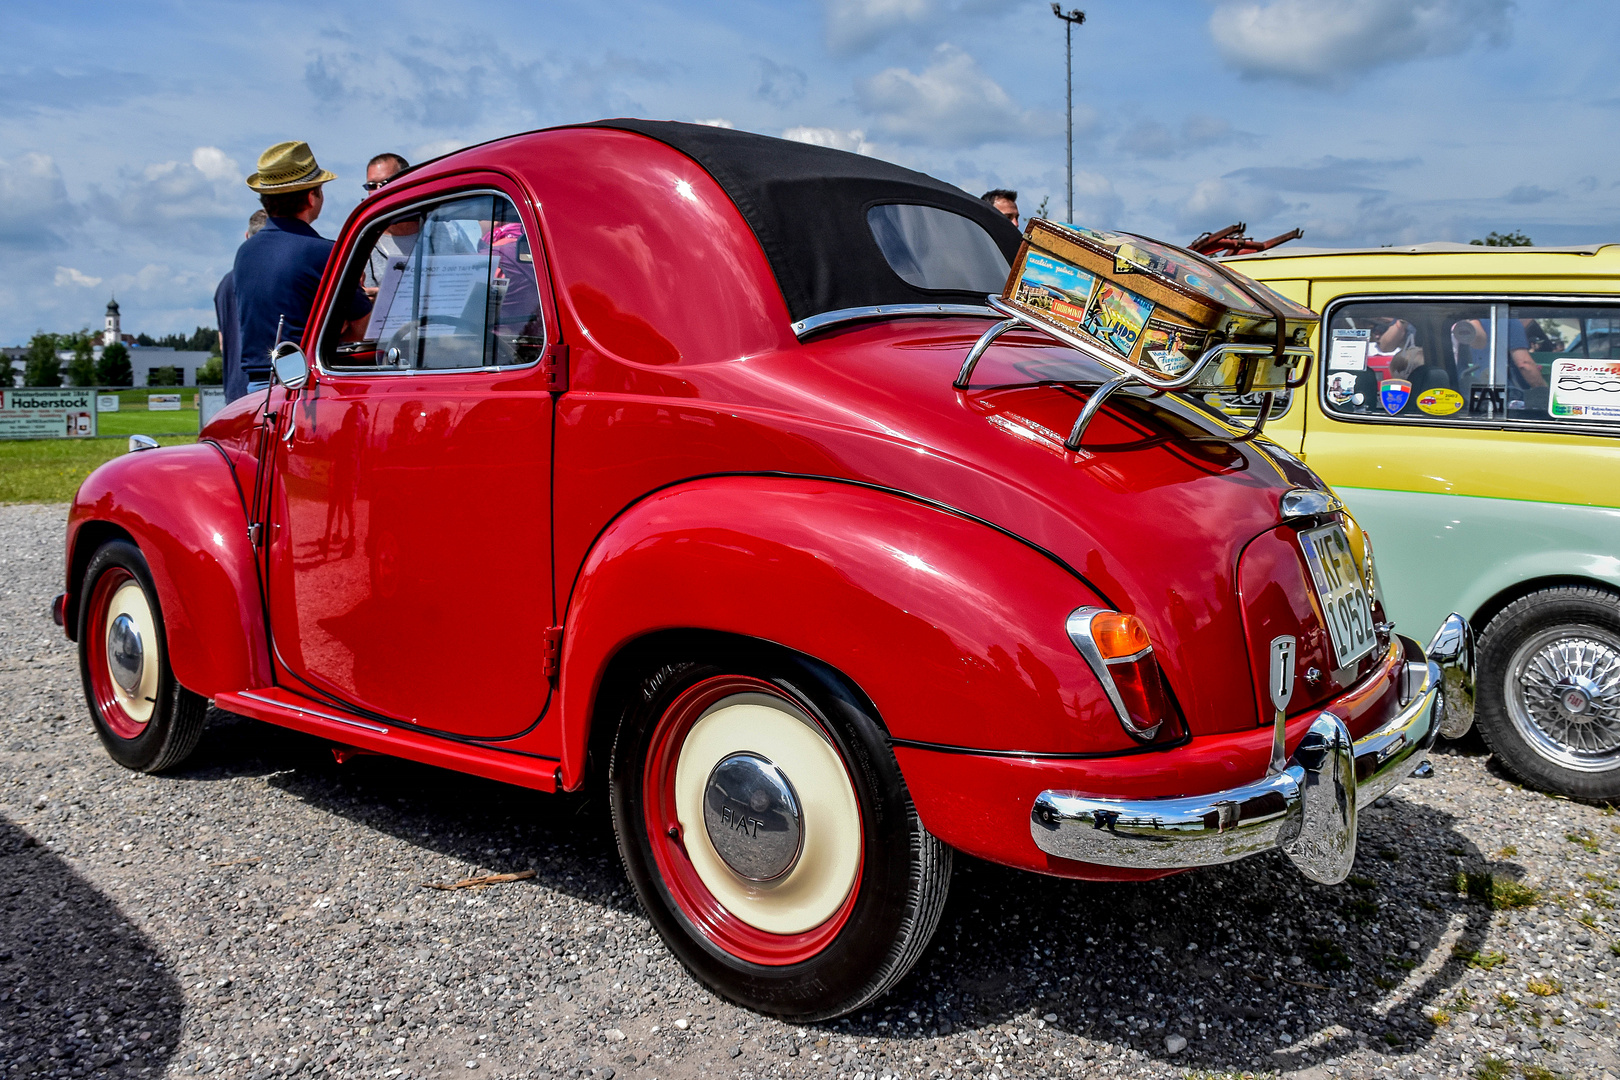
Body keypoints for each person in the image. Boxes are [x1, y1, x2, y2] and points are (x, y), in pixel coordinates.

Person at [233, 141, 368, 395]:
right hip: (305, 386)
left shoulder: (245, 253)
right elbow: (362, 328)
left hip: (256, 387)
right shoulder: (324, 252)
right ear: (311, 197)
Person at [214, 210, 267, 402]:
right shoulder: (273, 277)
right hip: (267, 389)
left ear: (247, 237)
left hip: (234, 389)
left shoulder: (225, 283)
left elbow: (222, 343)